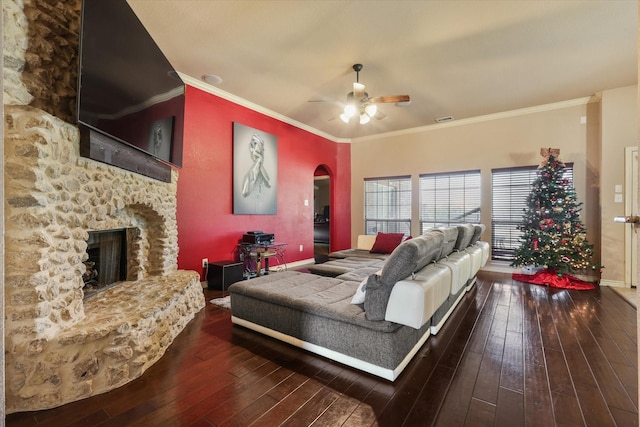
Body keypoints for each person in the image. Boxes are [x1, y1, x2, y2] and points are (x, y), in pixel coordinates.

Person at [242, 133, 271, 197]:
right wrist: (259, 159)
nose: (252, 149)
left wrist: (259, 159)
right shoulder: (254, 168)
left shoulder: (260, 167)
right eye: (251, 145)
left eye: (255, 144)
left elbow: (269, 184)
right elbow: (245, 192)